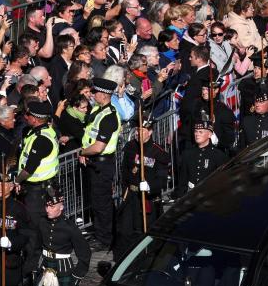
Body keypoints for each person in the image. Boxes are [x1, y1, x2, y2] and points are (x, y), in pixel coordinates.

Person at [26, 187, 90, 286]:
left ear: (61, 207)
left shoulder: (70, 227)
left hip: (64, 271)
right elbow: (36, 247)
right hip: (45, 268)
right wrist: (34, 268)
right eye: (47, 206)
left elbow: (85, 254)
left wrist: (76, 277)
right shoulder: (42, 223)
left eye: (52, 206)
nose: (48, 210)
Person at [114, 121, 170, 261]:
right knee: (125, 230)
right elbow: (125, 170)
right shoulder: (131, 146)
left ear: (150, 132)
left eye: (143, 130)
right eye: (137, 130)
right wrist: (124, 189)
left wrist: (150, 186)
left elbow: (162, 180)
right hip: (131, 195)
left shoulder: (158, 152)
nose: (138, 133)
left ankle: (143, 261)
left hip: (146, 198)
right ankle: (123, 261)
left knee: (143, 232)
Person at [78, 77, 120, 250]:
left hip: (102, 164)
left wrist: (83, 152)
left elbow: (98, 147)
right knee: (98, 202)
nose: (93, 95)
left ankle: (104, 239)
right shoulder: (98, 110)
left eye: (95, 92)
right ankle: (101, 233)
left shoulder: (109, 116)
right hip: (94, 163)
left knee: (101, 204)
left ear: (103, 95)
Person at [15, 99, 60, 223]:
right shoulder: (44, 131)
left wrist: (16, 180)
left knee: (35, 224)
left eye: (28, 115)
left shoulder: (41, 139)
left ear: (35, 119)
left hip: (38, 191)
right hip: (45, 187)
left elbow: (29, 169)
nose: (25, 117)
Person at [175, 113, 227, 194]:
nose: (197, 134)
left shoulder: (218, 155)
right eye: (195, 131)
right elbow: (183, 182)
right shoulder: (187, 154)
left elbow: (222, 181)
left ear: (209, 134)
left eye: (200, 132)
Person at [239, 83, 268, 148]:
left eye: (261, 102)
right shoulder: (247, 121)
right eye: (256, 101)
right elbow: (241, 146)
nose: (257, 104)